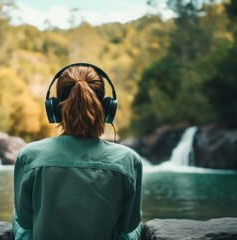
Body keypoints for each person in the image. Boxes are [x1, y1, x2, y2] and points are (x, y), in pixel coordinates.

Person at [13, 63, 142, 240]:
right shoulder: (128, 160)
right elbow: (129, 225)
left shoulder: (29, 156)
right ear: (108, 108)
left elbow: (24, 221)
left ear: (54, 108)